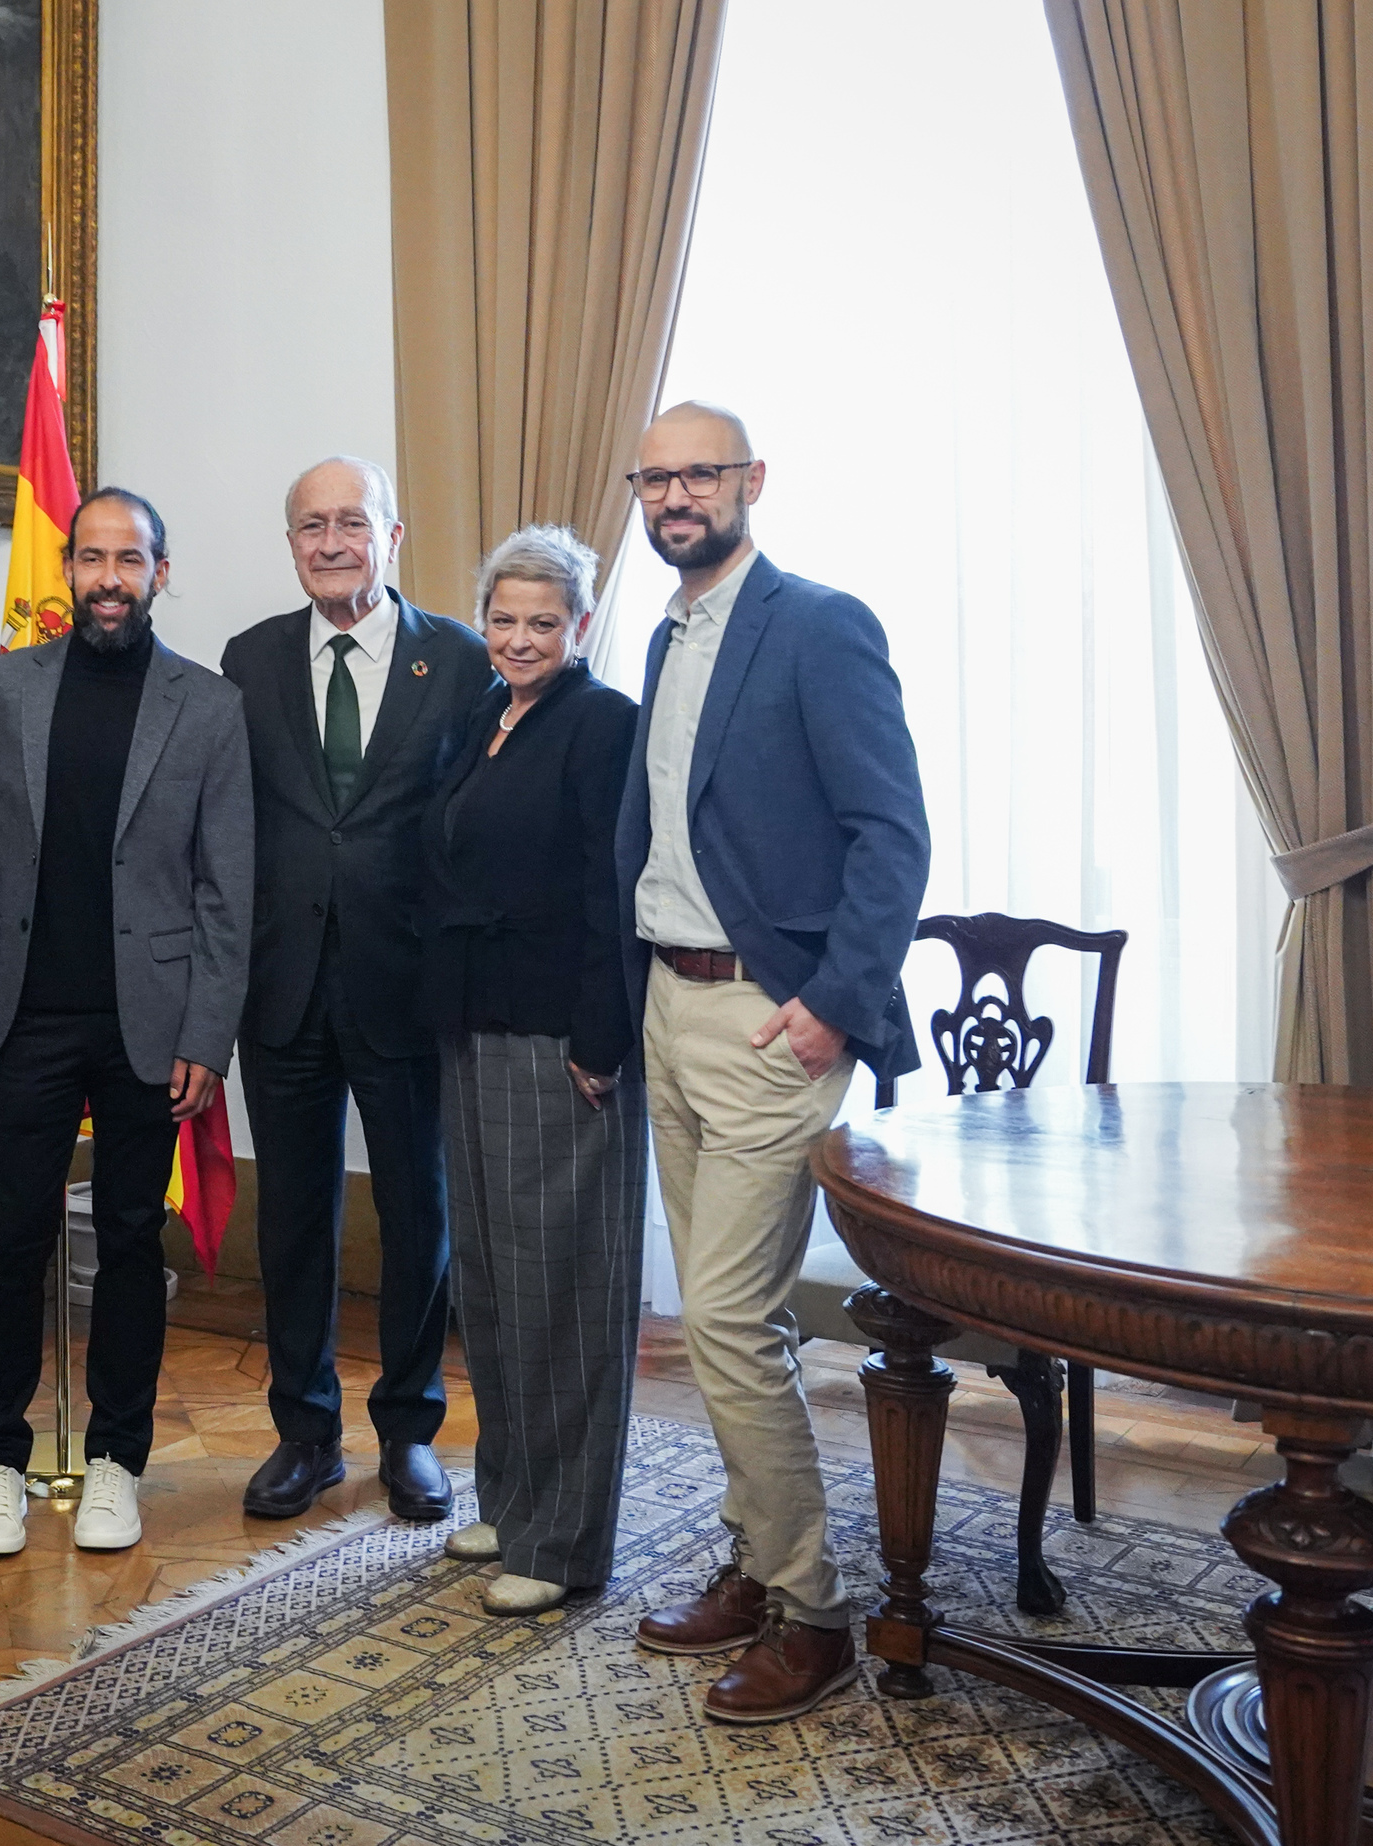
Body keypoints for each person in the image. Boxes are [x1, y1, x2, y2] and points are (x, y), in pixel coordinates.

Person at [614, 402, 928, 1723]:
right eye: (657, 476)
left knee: (732, 1325)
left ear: (751, 480)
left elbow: (891, 830)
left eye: (701, 472)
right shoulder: (664, 631)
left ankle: (814, 1611)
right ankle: (752, 1563)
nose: (677, 494)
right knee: (716, 1316)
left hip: (767, 1022)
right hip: (665, 1008)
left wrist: (832, 1005)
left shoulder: (818, 623)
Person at [0, 488, 253, 1556]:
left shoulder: (209, 706)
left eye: (131, 559)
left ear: (161, 573)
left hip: (155, 1025)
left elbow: (228, 886)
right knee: (9, 1241)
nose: (108, 577)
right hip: (26, 1013)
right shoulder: (0, 688)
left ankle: (120, 1458)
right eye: (90, 558)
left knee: (129, 1240)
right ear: (67, 569)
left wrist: (207, 1037)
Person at [219, 458, 490, 1523]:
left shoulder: (459, 662)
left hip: (410, 984)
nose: (331, 543)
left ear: (395, 532)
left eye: (351, 523)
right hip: (281, 985)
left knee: (419, 1211)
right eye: (310, 527)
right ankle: (305, 1431)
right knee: (292, 1214)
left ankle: (410, 1430)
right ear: (291, 545)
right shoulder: (248, 660)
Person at [420, 525, 643, 1617]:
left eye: (541, 622)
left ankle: (562, 1544)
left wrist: (602, 1038)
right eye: (502, 619)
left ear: (580, 625)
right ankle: (508, 1500)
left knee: (563, 1292)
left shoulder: (605, 724)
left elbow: (615, 890)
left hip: (564, 1042)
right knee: (498, 1286)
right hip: (475, 1029)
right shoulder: (486, 718)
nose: (518, 638)